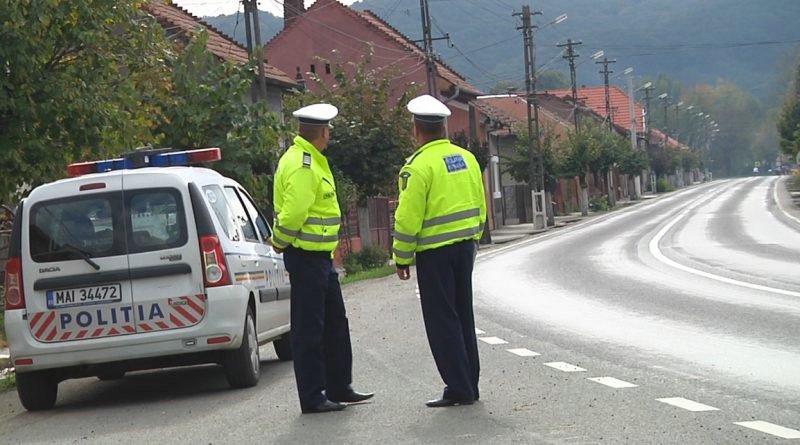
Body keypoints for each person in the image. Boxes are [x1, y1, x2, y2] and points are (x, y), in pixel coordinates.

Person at [271, 103, 373, 414]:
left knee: (334, 324)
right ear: (324, 132)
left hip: (321, 258)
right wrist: (279, 242)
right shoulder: (303, 164)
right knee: (310, 328)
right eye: (328, 130)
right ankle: (313, 396)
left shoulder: (312, 159)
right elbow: (294, 213)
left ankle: (340, 386)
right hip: (305, 256)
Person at [392, 94, 487, 407]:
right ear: (444, 127)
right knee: (463, 315)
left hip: (434, 252)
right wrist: (474, 237)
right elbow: (480, 203)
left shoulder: (417, 167)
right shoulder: (467, 158)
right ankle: (470, 383)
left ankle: (458, 388)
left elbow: (407, 218)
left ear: (416, 130)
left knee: (442, 320)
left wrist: (402, 257)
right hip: (465, 248)